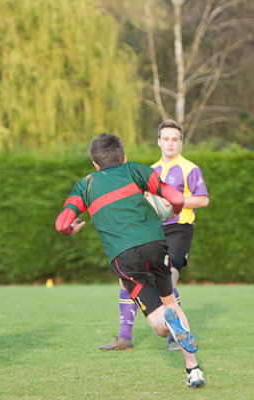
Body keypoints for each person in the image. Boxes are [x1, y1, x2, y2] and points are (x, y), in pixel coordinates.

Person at [56, 133, 205, 388]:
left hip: (123, 258)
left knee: (159, 326)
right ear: (123, 156)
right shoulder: (136, 169)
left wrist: (71, 229)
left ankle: (170, 325)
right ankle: (194, 370)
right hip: (155, 245)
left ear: (95, 163)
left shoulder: (85, 185)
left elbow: (62, 224)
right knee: (171, 302)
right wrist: (173, 210)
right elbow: (177, 198)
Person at [100, 120, 209, 352]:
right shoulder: (148, 170)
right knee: (127, 278)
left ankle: (175, 338)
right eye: (166, 138)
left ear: (181, 142)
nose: (170, 143)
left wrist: (169, 201)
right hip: (151, 231)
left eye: (175, 139)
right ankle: (124, 337)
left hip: (179, 230)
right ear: (159, 141)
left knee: (168, 277)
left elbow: (203, 200)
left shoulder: (190, 168)